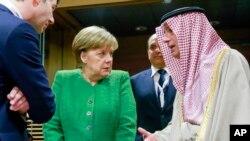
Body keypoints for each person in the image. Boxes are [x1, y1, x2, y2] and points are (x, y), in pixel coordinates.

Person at [139, 6, 250, 141]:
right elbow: (182, 126)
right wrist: (158, 137)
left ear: (191, 31)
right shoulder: (186, 73)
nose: (165, 39)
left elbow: (242, 120)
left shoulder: (228, 60)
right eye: (165, 32)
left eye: (171, 31)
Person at [42, 25, 137, 141]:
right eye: (101, 54)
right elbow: (52, 125)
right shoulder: (63, 79)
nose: (109, 59)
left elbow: (127, 126)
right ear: (83, 57)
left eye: (111, 54)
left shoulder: (121, 79)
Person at [0, 0, 59, 140]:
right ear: (36, 1)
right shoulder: (18, 30)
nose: (52, 19)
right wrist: (27, 92)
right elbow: (44, 109)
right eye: (52, 8)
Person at [130, 34, 176, 141]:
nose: (157, 50)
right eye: (152, 47)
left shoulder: (183, 78)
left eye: (162, 46)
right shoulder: (133, 81)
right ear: (148, 53)